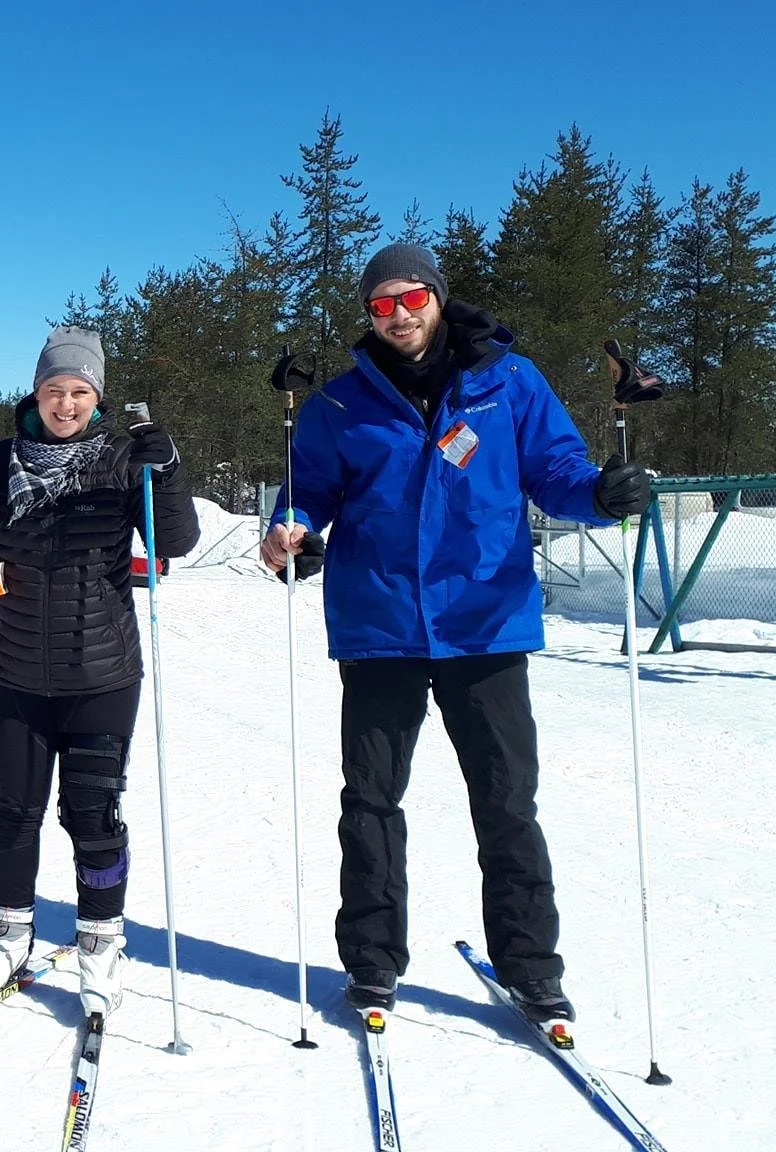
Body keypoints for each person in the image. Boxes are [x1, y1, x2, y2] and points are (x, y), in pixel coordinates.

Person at [260, 244, 653, 1022]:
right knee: (371, 801)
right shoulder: (341, 404)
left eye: (411, 299)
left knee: (507, 803)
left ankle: (532, 967)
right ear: (368, 314)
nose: (399, 315)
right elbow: (309, 492)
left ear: (437, 298)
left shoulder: (509, 382)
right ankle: (372, 962)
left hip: (486, 623)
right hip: (381, 626)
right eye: (381, 305)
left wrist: (603, 495)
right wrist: (289, 529)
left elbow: (559, 472)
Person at [0, 326, 197, 1015]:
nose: (65, 404)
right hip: (14, 669)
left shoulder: (120, 458)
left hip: (102, 672)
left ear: (96, 397)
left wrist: (166, 472)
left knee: (93, 814)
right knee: (15, 811)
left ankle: (102, 944)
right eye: (54, 390)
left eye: (79, 392)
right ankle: (10, 933)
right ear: (36, 392)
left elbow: (180, 540)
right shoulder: (1, 461)